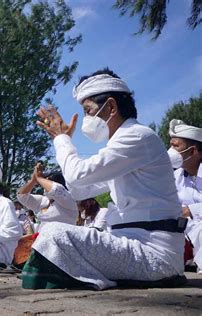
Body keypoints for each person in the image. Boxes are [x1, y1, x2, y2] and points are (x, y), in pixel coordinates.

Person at [25, 68, 186, 290]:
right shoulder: (124, 143)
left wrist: (62, 140)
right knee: (51, 235)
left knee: (54, 234)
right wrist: (65, 142)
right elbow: (80, 190)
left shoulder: (137, 136)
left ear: (111, 106)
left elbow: (76, 173)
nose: (86, 119)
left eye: (89, 111)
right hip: (131, 244)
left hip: (154, 254)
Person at [167, 119, 202, 271]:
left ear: (193, 151)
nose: (171, 151)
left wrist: (190, 210)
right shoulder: (175, 177)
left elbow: (185, 211)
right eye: (170, 145)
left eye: (175, 146)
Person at [17, 162, 78, 228]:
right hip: (44, 236)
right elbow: (21, 196)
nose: (43, 184)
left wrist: (39, 178)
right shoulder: (44, 200)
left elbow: (56, 189)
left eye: (47, 180)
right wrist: (33, 181)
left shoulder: (69, 199)